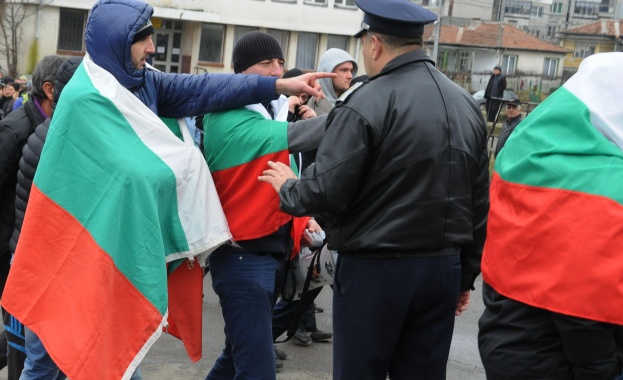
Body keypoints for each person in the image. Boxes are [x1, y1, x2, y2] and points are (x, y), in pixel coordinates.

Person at [0, 1, 333, 379]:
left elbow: (204, 87)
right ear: (116, 42)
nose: (152, 47)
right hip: (65, 260)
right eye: (142, 39)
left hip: (112, 255)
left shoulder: (144, 82)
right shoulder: (84, 100)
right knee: (46, 364)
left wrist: (276, 84)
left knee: (119, 357)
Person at [259, 0, 489, 378]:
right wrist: (464, 277)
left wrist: (290, 186)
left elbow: (328, 189)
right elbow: (479, 203)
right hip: (440, 271)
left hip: (375, 271)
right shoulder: (465, 104)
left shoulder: (366, 101)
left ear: (375, 44)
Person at [479, 52, 623, 380]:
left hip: (508, 338)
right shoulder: (600, 184)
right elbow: (581, 310)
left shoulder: (527, 153)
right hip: (558, 361)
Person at [201, 31, 329, 379]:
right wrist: (359, 112)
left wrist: (303, 222)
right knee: (257, 369)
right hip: (243, 257)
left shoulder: (267, 112)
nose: (277, 70)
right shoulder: (227, 115)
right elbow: (296, 140)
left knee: (236, 357)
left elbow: (279, 185)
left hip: (266, 254)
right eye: (266, 62)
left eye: (281, 62)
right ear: (241, 72)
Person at [273, 49, 358, 348]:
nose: (348, 75)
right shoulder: (317, 110)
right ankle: (274, 335)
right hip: (303, 200)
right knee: (302, 277)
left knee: (311, 277)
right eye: (342, 70)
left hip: (319, 204)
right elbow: (288, 148)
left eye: (351, 70)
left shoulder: (341, 106)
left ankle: (301, 325)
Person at [0, 55, 64, 380]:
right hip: (13, 257)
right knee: (23, 356)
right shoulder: (15, 130)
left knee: (32, 352)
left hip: (35, 259)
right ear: (50, 89)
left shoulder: (55, 132)